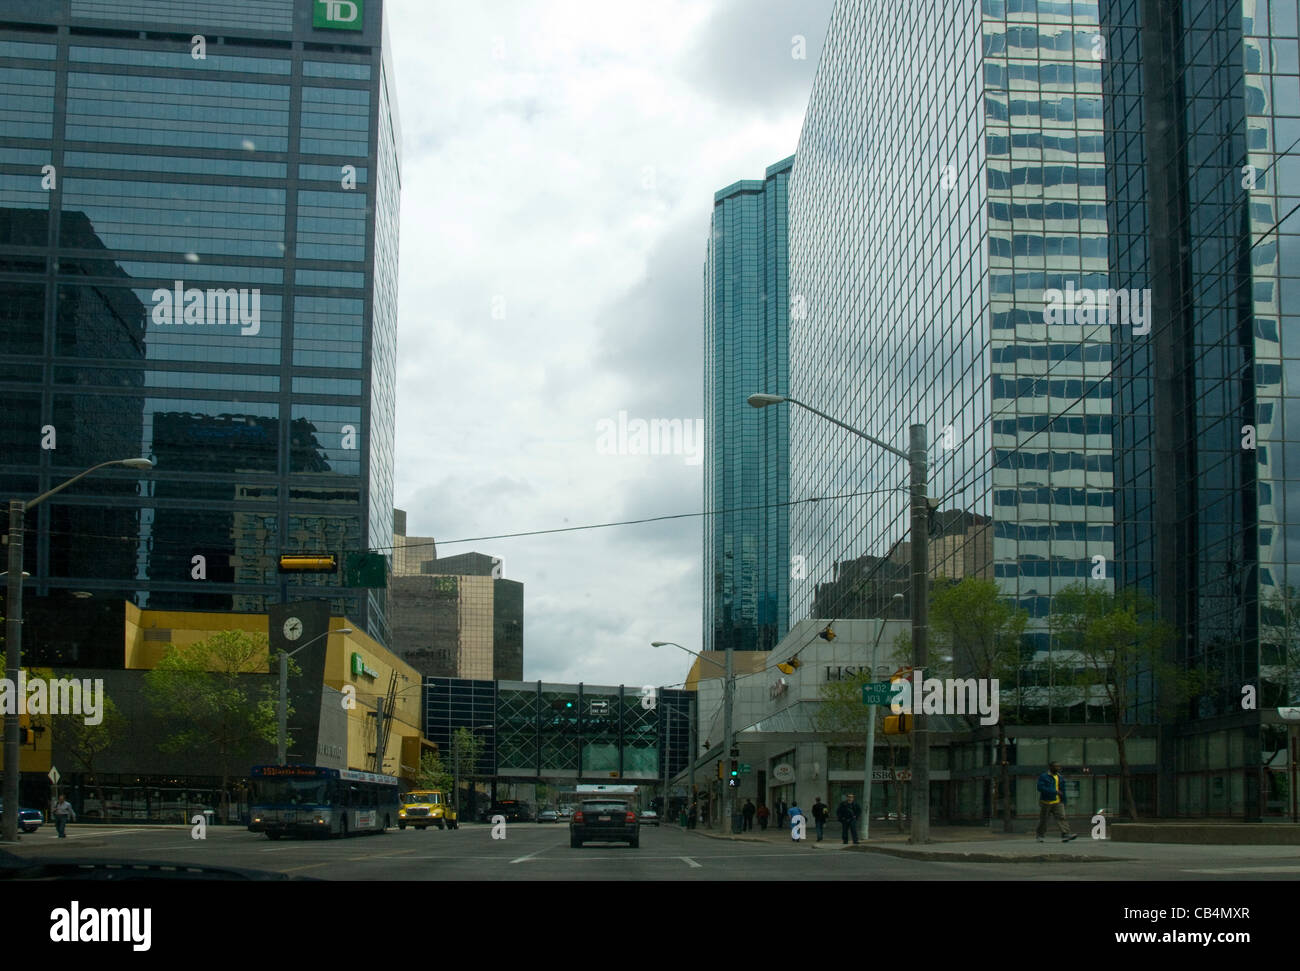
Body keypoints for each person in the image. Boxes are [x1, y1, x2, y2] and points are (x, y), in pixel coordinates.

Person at [1036, 761, 1078, 842]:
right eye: (1056, 766)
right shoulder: (1044, 776)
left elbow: (1062, 790)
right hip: (1046, 802)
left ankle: (1065, 834)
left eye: (1058, 766)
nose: (1058, 768)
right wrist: (1054, 791)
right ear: (1050, 767)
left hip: (1058, 802)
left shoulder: (1060, 777)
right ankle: (1040, 835)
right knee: (1044, 820)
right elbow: (1040, 788)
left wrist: (1064, 801)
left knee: (1062, 817)